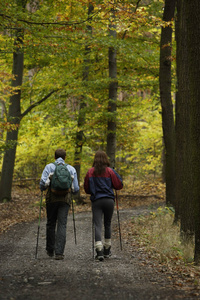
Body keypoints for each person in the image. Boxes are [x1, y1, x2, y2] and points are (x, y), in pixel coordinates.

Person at [40, 148, 79, 260]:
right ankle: (59, 253)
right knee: (62, 224)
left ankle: (50, 249)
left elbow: (42, 183)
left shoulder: (49, 167)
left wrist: (43, 188)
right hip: (64, 200)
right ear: (65, 158)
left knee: (51, 223)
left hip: (51, 199)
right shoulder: (71, 168)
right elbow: (76, 189)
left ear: (54, 157)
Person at [84, 150, 123, 261]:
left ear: (95, 159)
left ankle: (99, 251)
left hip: (96, 200)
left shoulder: (90, 172)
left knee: (97, 225)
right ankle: (107, 250)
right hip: (109, 200)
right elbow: (119, 185)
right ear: (106, 159)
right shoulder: (110, 171)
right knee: (107, 223)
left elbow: (86, 189)